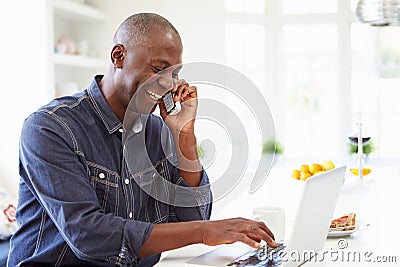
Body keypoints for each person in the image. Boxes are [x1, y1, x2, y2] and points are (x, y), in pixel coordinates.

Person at [8, 13, 276, 266]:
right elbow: (88, 235)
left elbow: (193, 215)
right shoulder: (50, 127)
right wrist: (204, 232)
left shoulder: (157, 131)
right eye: (158, 69)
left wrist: (184, 138)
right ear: (118, 56)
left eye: (174, 74)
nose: (168, 84)